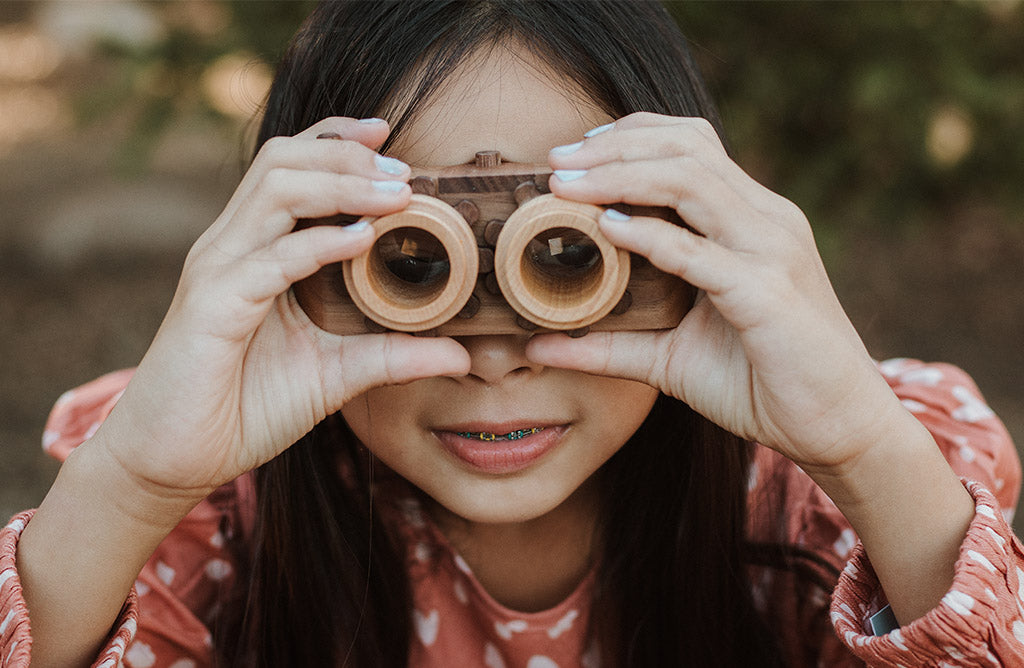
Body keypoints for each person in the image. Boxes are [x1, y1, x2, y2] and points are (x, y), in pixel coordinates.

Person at [2, 2, 1022, 666]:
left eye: (569, 259)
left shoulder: (803, 506)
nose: (497, 354)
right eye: (411, 263)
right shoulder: (220, 520)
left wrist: (857, 441)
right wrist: (134, 479)